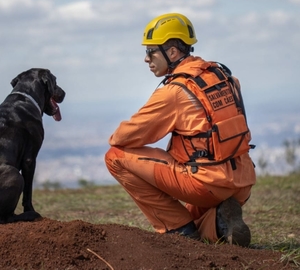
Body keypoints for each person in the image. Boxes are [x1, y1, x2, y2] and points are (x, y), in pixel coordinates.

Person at [105, 13, 256, 247]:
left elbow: (125, 137)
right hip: (243, 181)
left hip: (207, 184)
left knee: (114, 155)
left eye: (150, 51)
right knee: (195, 217)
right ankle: (220, 224)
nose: (146, 59)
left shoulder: (175, 91)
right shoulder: (225, 77)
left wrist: (115, 136)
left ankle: (178, 230)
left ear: (172, 52)